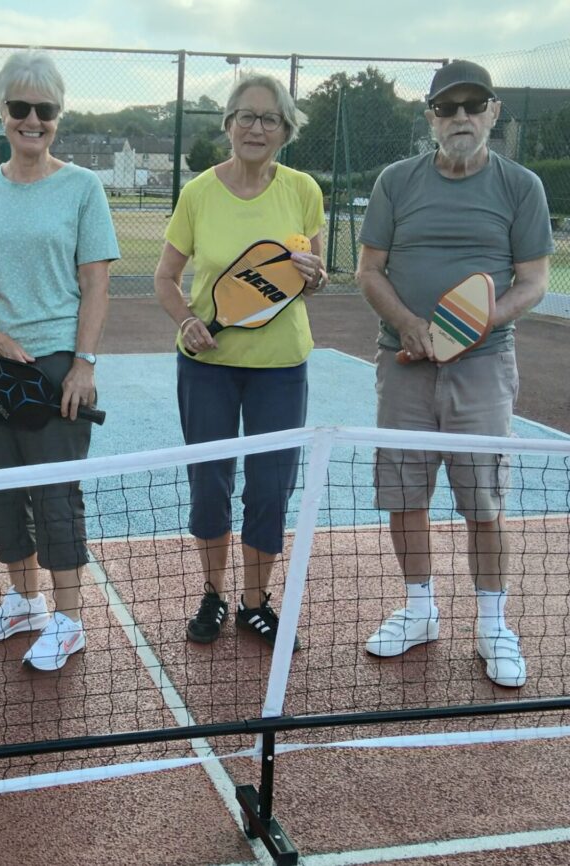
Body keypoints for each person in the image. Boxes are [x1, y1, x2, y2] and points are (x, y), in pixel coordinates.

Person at [356, 60, 552, 688]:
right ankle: (420, 610)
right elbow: (369, 271)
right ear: (431, 118)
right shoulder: (395, 182)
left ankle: (493, 627)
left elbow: (534, 281)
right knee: (405, 497)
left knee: (484, 505)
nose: (460, 117)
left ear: (494, 113)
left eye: (474, 105)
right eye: (447, 108)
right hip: (403, 364)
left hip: (485, 368)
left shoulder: (521, 187)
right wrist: (413, 327)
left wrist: (480, 324)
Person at [0, 50, 120, 672]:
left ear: (57, 116)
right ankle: (25, 601)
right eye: (19, 107)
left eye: (44, 110)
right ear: (1, 112)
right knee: (2, 495)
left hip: (53, 371)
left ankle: (69, 619)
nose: (32, 119)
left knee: (55, 494)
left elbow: (96, 284)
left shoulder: (82, 187)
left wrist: (84, 363)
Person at [154, 74, 326, 651]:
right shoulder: (199, 192)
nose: (256, 128)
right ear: (227, 124)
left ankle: (256, 603)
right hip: (207, 366)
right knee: (210, 485)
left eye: (269, 118)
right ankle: (213, 593)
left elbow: (311, 275)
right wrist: (186, 321)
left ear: (285, 129)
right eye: (245, 117)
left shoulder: (303, 190)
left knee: (271, 488)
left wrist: (317, 276)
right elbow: (165, 277)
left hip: (281, 367)